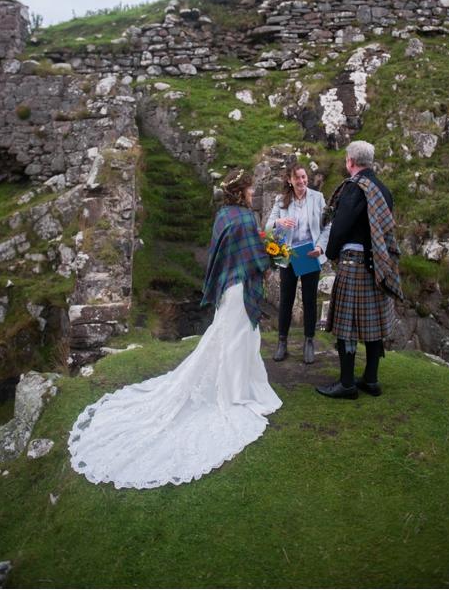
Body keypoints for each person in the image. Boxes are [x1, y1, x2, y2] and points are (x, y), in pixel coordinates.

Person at [68, 170, 282, 488]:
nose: (253, 193)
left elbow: (222, 254)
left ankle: (239, 387)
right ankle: (235, 395)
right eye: (250, 188)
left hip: (228, 288)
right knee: (236, 340)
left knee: (231, 337)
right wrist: (274, 257)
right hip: (240, 289)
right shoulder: (246, 219)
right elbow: (253, 258)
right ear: (241, 191)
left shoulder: (223, 215)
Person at [318, 140, 403, 400]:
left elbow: (340, 226)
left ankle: (346, 383)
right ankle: (371, 379)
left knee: (348, 327)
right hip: (377, 264)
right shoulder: (383, 189)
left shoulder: (354, 189)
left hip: (354, 264)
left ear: (351, 162)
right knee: (373, 324)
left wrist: (330, 252)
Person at [266, 163, 327, 364]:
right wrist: (279, 223)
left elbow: (328, 226)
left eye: (304, 177)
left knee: (309, 299)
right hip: (288, 254)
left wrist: (320, 248)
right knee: (286, 300)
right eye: (297, 178)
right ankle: (281, 342)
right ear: (289, 180)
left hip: (309, 253)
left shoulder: (317, 198)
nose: (301, 181)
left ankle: (309, 342)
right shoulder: (281, 200)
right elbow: (267, 225)